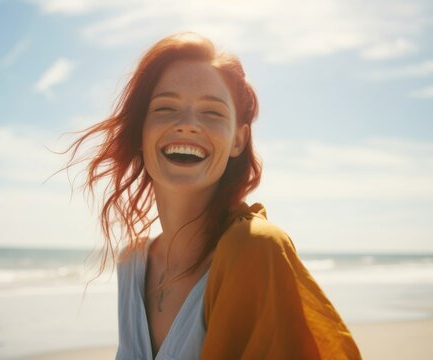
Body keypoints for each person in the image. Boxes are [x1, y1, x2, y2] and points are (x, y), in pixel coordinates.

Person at [64, 32, 361, 359]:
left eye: (212, 113)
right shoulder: (132, 263)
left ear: (238, 140)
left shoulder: (255, 248)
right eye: (165, 108)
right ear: (139, 131)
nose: (188, 125)